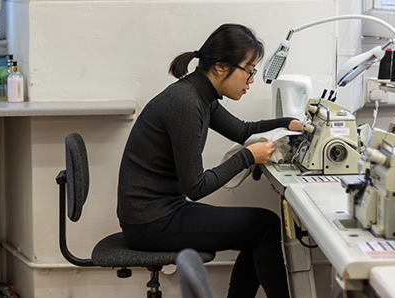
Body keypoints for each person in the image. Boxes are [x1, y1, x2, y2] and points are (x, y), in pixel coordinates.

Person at [117, 23, 304, 298]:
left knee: (260, 227)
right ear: (220, 66)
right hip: (150, 222)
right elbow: (196, 186)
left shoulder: (200, 94)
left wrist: (288, 123)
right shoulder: (187, 103)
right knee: (264, 227)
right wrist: (247, 157)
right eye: (248, 70)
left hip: (159, 213)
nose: (251, 80)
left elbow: (242, 130)